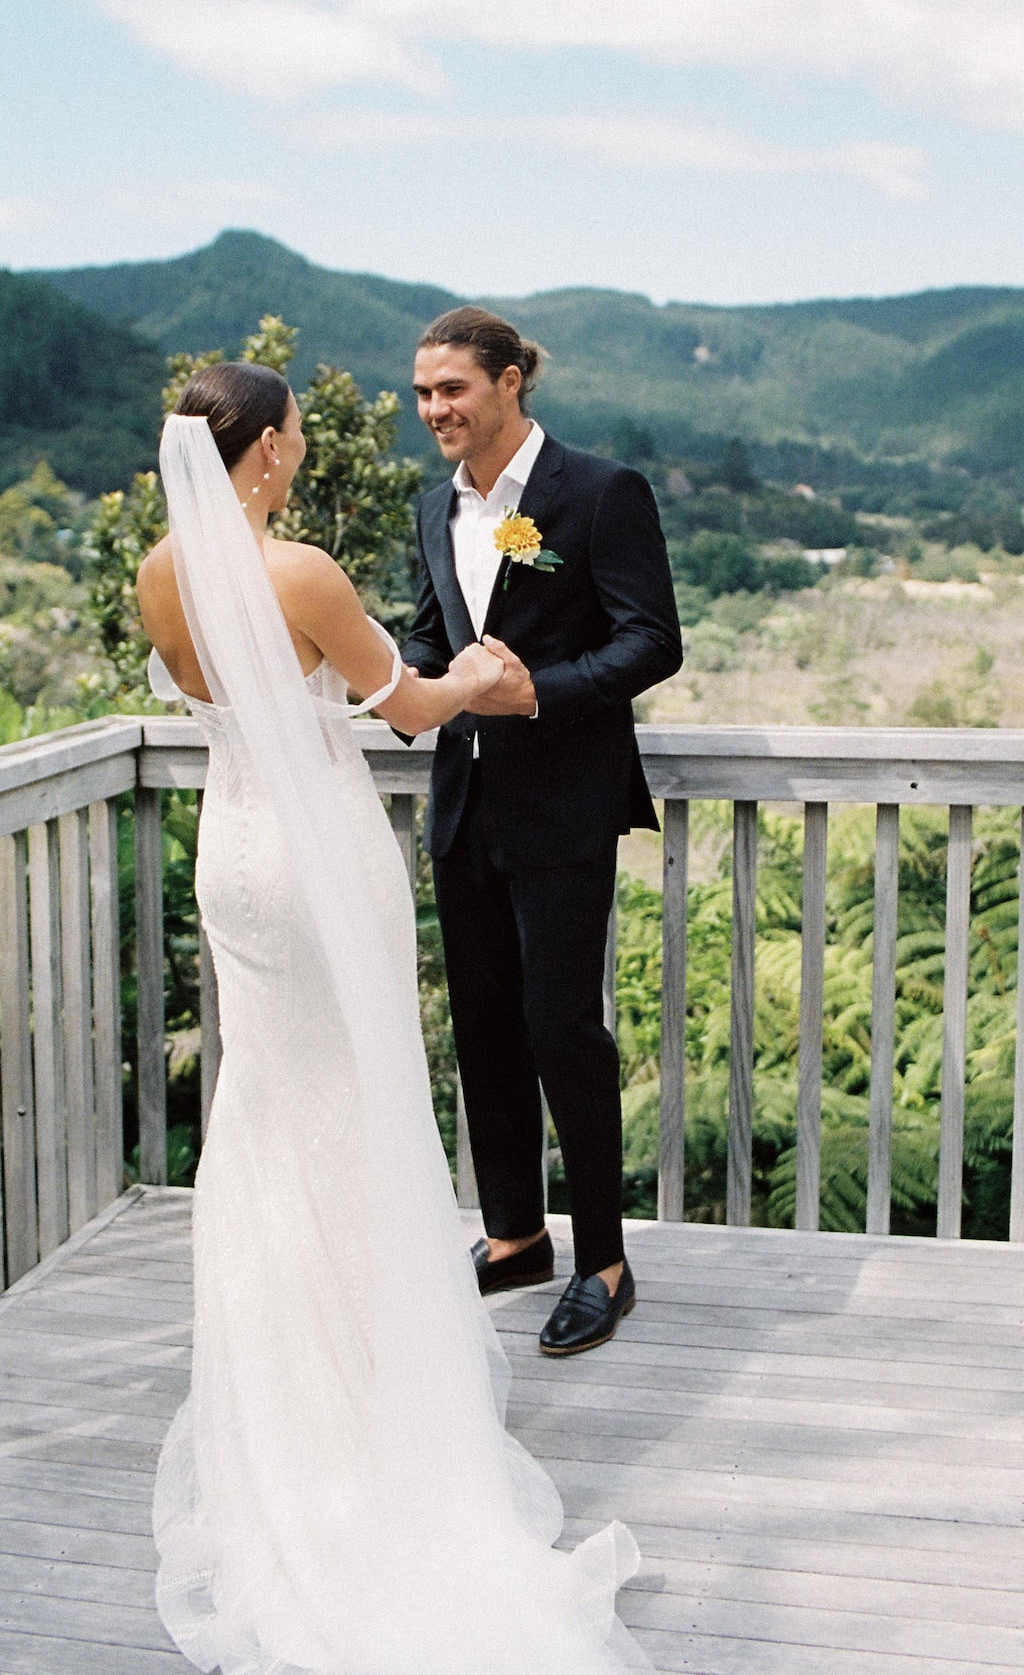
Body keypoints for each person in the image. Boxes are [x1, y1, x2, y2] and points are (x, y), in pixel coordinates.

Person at [136, 361, 654, 1674]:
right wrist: (483, 670)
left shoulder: (159, 570)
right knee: (354, 1113)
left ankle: (282, 1413)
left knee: (261, 1119)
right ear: (261, 455)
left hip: (232, 859)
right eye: (298, 424)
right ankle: (370, 1411)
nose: (311, 437)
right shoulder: (299, 570)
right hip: (316, 867)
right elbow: (410, 708)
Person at [404, 308, 682, 1357]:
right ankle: (514, 1232)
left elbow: (653, 641)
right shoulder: (437, 509)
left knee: (564, 1030)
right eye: (424, 392)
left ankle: (604, 1262)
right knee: (482, 1029)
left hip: (564, 808)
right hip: (462, 808)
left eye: (453, 390)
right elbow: (433, 641)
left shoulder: (601, 493)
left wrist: (537, 696)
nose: (435, 409)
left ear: (510, 382)